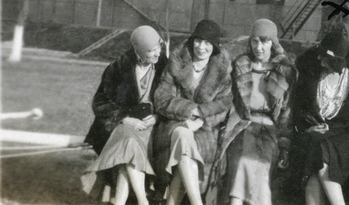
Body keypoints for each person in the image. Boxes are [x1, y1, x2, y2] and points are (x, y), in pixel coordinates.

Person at [82, 25, 167, 205]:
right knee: (128, 144)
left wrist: (158, 117)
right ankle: (143, 201)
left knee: (128, 152)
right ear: (139, 51)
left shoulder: (163, 67)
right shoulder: (119, 67)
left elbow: (171, 98)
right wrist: (125, 119)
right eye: (152, 50)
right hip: (120, 126)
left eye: (159, 47)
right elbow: (100, 101)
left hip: (149, 127)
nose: (157, 53)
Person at [152, 19, 232, 205]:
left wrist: (200, 120)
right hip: (172, 126)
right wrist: (191, 110)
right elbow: (161, 99)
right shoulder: (177, 63)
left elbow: (224, 105)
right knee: (182, 134)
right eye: (198, 41)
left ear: (214, 46)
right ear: (191, 41)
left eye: (207, 43)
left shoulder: (222, 70)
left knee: (184, 152)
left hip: (204, 131)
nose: (201, 47)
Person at [218, 18, 297, 205]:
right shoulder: (241, 66)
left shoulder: (285, 71)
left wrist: (285, 145)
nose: (259, 47)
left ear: (273, 42)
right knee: (238, 162)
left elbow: (286, 113)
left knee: (262, 165)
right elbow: (229, 102)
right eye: (255, 41)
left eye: (265, 41)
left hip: (270, 130)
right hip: (242, 125)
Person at [293, 31, 349, 205]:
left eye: (325, 58)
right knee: (317, 144)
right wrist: (308, 128)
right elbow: (297, 109)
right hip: (314, 131)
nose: (319, 60)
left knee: (318, 152)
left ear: (337, 61)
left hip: (343, 135)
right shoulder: (311, 75)